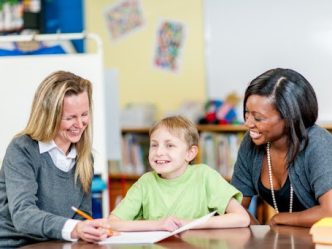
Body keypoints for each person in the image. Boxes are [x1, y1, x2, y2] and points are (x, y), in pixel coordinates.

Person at [0, 71, 109, 247]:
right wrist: (75, 228)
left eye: (84, 114)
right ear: (49, 117)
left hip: (56, 244)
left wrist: (89, 229)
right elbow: (23, 215)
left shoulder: (84, 157)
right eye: (70, 117)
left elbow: (82, 216)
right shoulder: (23, 149)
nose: (80, 125)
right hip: (16, 245)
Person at [108, 116, 250, 231]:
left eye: (170, 145)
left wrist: (187, 223)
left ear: (190, 153)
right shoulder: (145, 183)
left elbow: (241, 218)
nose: (159, 152)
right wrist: (158, 224)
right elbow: (112, 223)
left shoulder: (205, 176)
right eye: (154, 145)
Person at [231, 68, 332, 227]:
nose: (248, 123)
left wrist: (279, 219)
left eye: (258, 118)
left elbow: (329, 212)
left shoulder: (318, 143)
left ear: (289, 117)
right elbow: (234, 207)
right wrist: (259, 234)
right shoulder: (251, 142)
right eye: (246, 113)